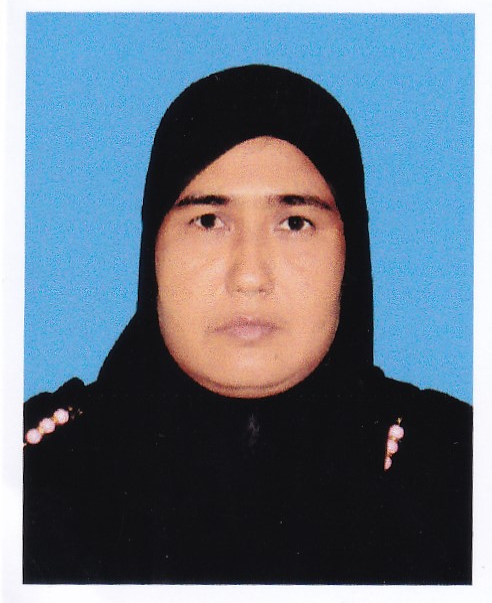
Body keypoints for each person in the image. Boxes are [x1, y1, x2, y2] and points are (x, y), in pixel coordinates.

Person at [23, 65, 472, 585]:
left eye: (295, 223)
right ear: (152, 251)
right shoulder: (32, 478)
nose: (250, 276)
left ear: (352, 253)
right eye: (208, 221)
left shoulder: (459, 472)